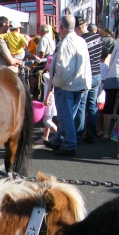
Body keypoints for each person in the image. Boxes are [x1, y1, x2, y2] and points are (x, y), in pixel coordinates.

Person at [46, 13, 91, 157]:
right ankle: (58, 140)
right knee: (69, 115)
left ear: (61, 27)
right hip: (79, 83)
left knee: (65, 117)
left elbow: (64, 69)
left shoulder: (66, 43)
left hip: (67, 85)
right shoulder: (80, 40)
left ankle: (69, 144)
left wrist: (54, 82)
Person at [74, 17, 103, 143]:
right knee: (92, 105)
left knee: (81, 105)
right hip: (97, 73)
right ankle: (92, 134)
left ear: (76, 28)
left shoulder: (81, 40)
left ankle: (79, 134)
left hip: (86, 75)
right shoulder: (98, 37)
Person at [37, 56, 57, 145]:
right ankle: (45, 137)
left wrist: (46, 100)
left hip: (50, 99)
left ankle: (60, 136)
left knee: (47, 121)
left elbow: (50, 88)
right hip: (54, 99)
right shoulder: (57, 76)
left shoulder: (47, 75)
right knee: (48, 118)